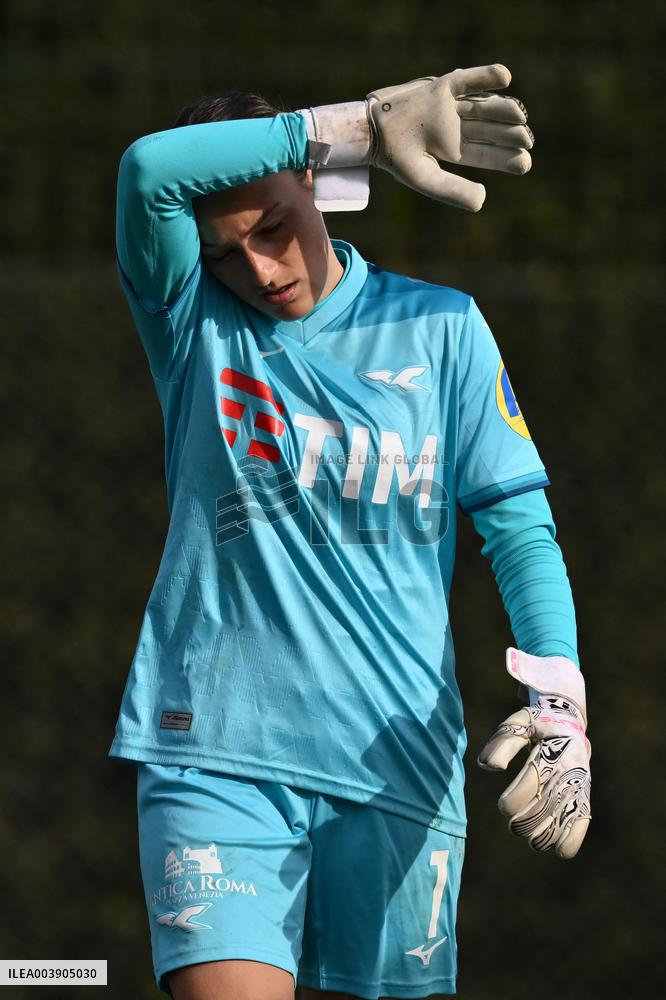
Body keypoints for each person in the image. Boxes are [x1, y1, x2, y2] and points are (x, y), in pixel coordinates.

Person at [108, 66, 591, 1000]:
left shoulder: (443, 327)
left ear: (314, 188)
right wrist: (356, 125)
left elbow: (520, 531)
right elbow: (146, 171)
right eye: (224, 253)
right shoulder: (189, 318)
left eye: (273, 228)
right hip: (215, 757)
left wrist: (562, 701)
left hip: (398, 766)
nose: (259, 271)